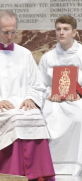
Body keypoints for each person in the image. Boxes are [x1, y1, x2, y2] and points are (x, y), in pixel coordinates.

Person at [0, 10, 55, 181]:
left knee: (35, 116)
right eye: (6, 32)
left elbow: (36, 84)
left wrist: (31, 98)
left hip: (21, 104)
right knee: (15, 118)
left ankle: (38, 175)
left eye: (13, 31)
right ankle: (12, 174)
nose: (10, 36)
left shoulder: (24, 54)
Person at [39, 15, 82, 176]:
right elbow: (40, 85)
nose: (61, 33)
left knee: (79, 117)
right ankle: (51, 169)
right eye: (58, 29)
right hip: (53, 101)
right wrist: (50, 94)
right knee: (47, 118)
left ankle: (75, 169)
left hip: (77, 100)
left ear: (74, 32)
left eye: (66, 29)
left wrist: (78, 93)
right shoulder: (48, 57)